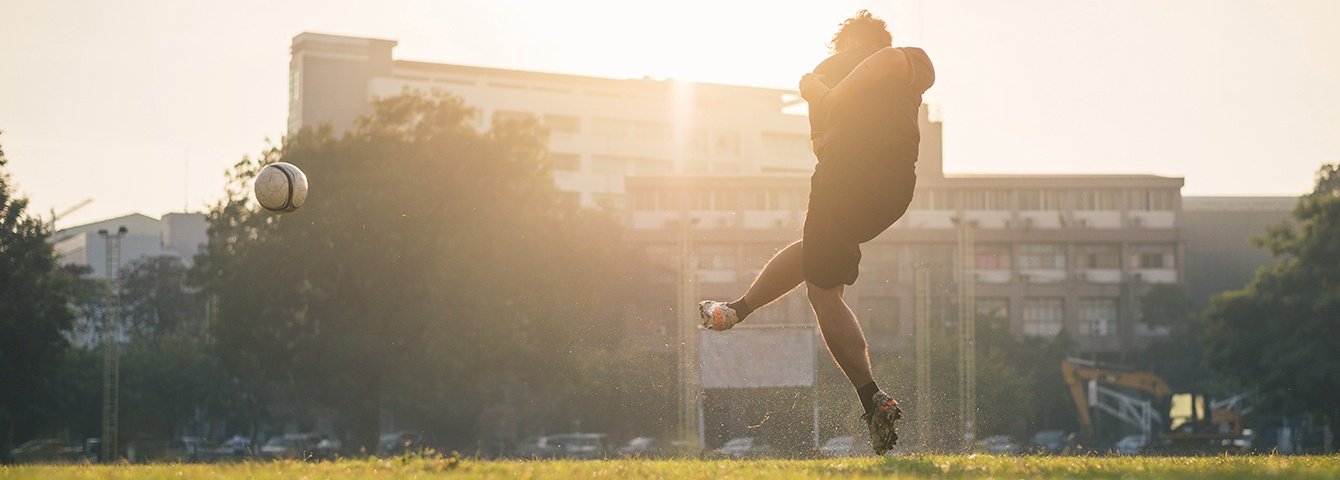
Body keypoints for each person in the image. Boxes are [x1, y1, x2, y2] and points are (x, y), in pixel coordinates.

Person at [698, 10, 934, 455]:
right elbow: (820, 139)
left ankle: (873, 400)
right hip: (894, 191)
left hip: (845, 178)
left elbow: (838, 120)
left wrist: (828, 92)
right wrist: (824, 95)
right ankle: (737, 310)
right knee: (815, 256)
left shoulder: (853, 68)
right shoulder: (897, 62)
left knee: (824, 292)